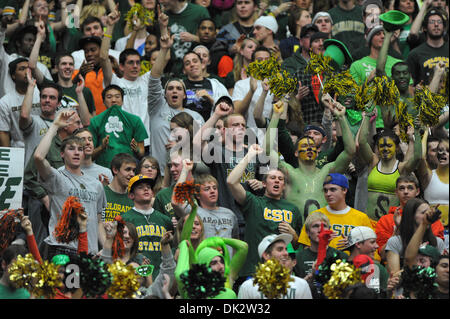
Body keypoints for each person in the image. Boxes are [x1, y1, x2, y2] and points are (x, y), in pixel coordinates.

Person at [266, 95, 356, 222]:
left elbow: (350, 151)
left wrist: (341, 117)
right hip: (295, 234)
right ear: (296, 153)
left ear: (317, 151)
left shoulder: (327, 172)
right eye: (304, 145)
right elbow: (267, 151)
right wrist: (275, 116)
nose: (309, 148)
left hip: (323, 234)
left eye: (312, 146)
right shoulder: (288, 173)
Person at [33, 110, 107, 259]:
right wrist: (55, 126)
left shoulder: (96, 184)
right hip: (62, 249)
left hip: (90, 252)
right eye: (71, 149)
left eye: (80, 149)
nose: (76, 152)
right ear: (62, 154)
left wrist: (106, 250)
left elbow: (99, 222)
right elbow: (39, 157)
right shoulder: (57, 177)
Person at [227, 144, 303, 287]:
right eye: (272, 178)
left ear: (284, 186)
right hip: (253, 271)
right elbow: (231, 181)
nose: (277, 181)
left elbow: (301, 245)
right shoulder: (254, 202)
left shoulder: (293, 209)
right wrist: (249, 155)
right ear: (263, 183)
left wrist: (294, 234)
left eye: (280, 179)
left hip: (283, 272)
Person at [147, 19, 205, 176]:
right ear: (164, 94)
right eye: (170, 88)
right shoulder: (156, 108)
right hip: (158, 176)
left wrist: (184, 145)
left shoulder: (196, 117)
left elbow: (204, 149)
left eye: (179, 88)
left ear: (184, 95)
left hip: (188, 175)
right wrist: (164, 49)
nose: (174, 91)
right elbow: (154, 78)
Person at [357, 111, 422, 226]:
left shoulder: (402, 168)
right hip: (369, 223)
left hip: (391, 225)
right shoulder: (373, 162)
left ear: (397, 148)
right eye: (381, 146)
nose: (385, 149)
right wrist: (367, 116)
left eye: (389, 145)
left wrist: (416, 132)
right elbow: (362, 142)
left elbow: (417, 157)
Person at [297, 173, 375, 251]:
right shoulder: (315, 216)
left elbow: (372, 249)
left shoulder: (361, 218)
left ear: (344, 190)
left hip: (353, 262)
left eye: (333, 189)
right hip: (323, 261)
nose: (328, 194)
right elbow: (306, 249)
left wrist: (353, 244)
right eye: (325, 190)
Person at [375, 174, 445, 261]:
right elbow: (383, 255)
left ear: (418, 191)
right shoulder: (386, 220)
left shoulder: (430, 219)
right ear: (396, 192)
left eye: (410, 188)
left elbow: (435, 251)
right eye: (402, 188)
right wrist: (399, 229)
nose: (406, 192)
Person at [172, 159, 240, 242]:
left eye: (214, 188)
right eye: (207, 189)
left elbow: (236, 242)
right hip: (203, 254)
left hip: (226, 254)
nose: (212, 191)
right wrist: (185, 170)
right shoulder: (193, 211)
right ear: (197, 194)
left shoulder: (229, 214)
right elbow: (175, 201)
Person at [121, 174, 174, 279]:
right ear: (131, 195)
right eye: (140, 187)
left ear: (153, 193)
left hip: (162, 275)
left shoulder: (165, 220)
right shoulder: (124, 219)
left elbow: (171, 246)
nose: (146, 189)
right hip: (136, 275)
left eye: (148, 187)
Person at [88, 84, 148, 169]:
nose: (113, 100)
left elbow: (141, 153)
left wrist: (136, 149)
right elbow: (89, 156)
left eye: (117, 97)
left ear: (122, 100)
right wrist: (102, 147)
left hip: (128, 169)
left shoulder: (135, 120)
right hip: (103, 170)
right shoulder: (95, 121)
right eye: (109, 97)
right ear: (103, 101)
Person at [238, 233, 313, 299]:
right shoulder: (248, 287)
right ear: (266, 255)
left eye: (285, 249)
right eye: (280, 249)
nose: (286, 253)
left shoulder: (301, 285)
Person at [385, 198, 447, 275]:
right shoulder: (395, 242)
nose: (428, 215)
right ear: (411, 216)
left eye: (429, 212)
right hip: (405, 285)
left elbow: (441, 274)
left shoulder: (438, 242)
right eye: (424, 212)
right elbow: (395, 276)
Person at [0, 22, 53, 98]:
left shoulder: (41, 67)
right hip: (8, 108)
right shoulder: (7, 60)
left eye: (34, 41)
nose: (32, 43)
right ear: (18, 43)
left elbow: (51, 89)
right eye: (28, 40)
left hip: (33, 108)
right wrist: (2, 30)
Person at [159, 0, 211, 74]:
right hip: (173, 71)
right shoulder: (163, 16)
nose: (160, 1)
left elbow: (212, 41)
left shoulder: (199, 12)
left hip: (197, 70)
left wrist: (194, 38)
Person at [0, 58, 41, 148]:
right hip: (19, 148)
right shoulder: (5, 102)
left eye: (28, 68)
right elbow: (3, 132)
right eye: (22, 69)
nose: (27, 71)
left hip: (42, 145)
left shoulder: (42, 95)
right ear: (13, 76)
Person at [294, 212, 348, 279]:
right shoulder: (297, 258)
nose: (320, 230)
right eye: (315, 226)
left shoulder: (341, 256)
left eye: (324, 226)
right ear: (307, 232)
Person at [231, 46, 275, 130]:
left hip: (272, 133)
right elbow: (236, 112)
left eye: (267, 60)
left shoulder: (277, 83)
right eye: (259, 60)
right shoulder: (241, 84)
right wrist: (251, 91)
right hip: (249, 132)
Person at [181, 50, 230, 122]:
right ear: (184, 70)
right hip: (186, 127)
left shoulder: (216, 84)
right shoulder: (180, 86)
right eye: (187, 63)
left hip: (211, 128)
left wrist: (210, 98)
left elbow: (229, 108)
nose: (192, 65)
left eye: (195, 61)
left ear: (202, 64)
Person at [406, 7, 449, 86]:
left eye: (439, 22)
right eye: (432, 22)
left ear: (444, 27)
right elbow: (409, 87)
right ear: (424, 28)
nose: (436, 24)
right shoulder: (415, 54)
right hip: (426, 97)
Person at [346, 226, 389, 293]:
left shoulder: (378, 268)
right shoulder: (341, 269)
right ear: (358, 244)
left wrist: (391, 290)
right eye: (372, 242)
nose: (377, 246)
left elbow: (385, 295)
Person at [418, 138, 449, 229]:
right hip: (432, 230)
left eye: (448, 151)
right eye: (440, 150)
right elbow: (420, 157)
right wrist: (426, 132)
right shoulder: (429, 176)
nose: (443, 153)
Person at [102, 153, 137, 222]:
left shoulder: (135, 197)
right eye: (128, 169)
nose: (132, 174)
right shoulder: (102, 193)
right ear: (115, 170)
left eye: (133, 170)